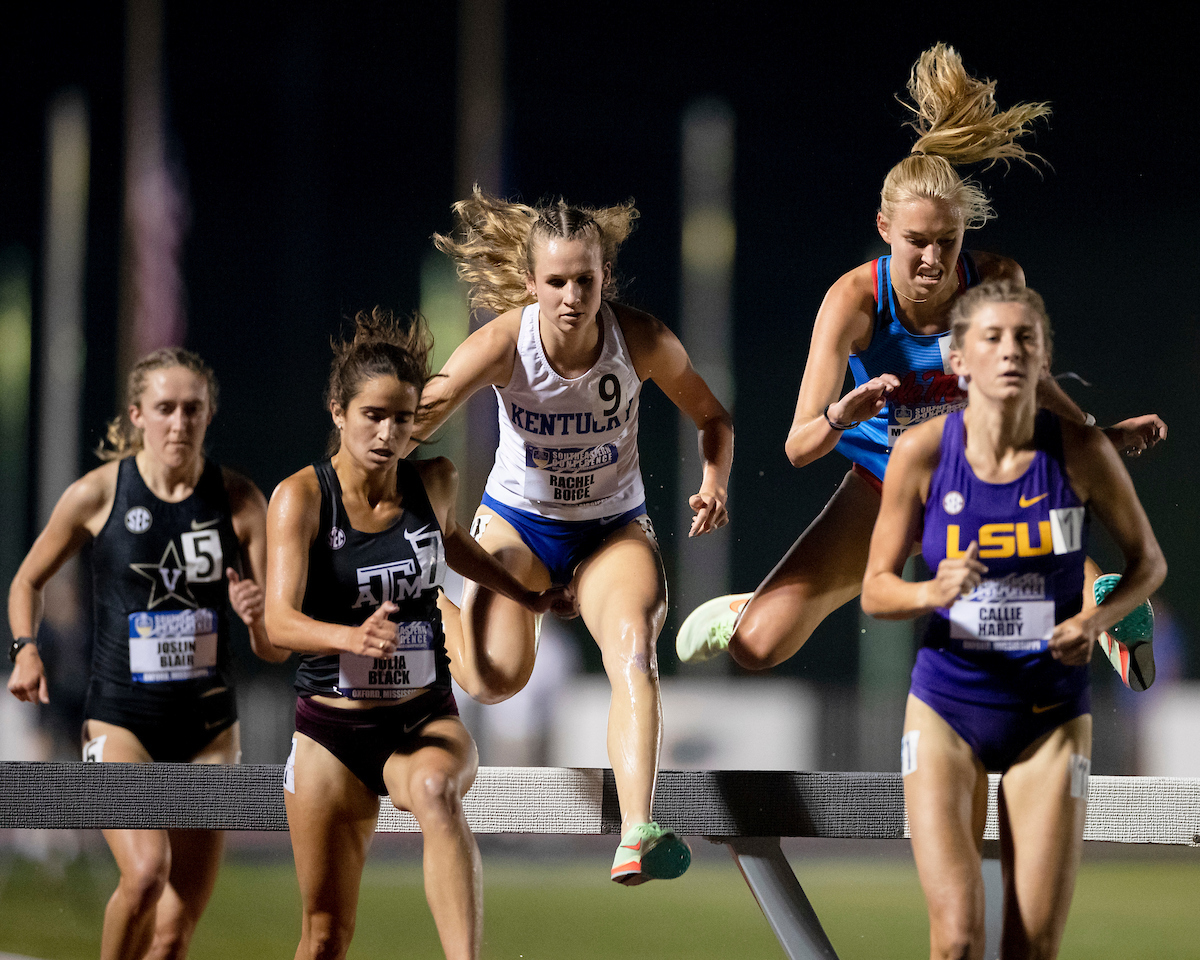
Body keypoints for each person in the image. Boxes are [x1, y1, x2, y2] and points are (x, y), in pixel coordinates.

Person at [675, 43, 1163, 685]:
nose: (932, 260)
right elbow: (798, 447)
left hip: (975, 477)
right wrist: (842, 414)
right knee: (758, 648)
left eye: (946, 241)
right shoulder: (854, 303)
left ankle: (1106, 605)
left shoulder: (993, 279)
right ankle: (754, 607)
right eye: (915, 242)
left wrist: (1098, 437)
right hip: (883, 482)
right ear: (884, 228)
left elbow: (1033, 385)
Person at [411, 189, 734, 884]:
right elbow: (426, 408)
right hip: (517, 524)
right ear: (531, 284)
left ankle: (637, 829)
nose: (569, 296)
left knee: (635, 653)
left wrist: (714, 480)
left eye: (584, 281)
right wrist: (377, 449)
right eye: (555, 282)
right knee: (495, 680)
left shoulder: (640, 338)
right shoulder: (504, 342)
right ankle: (423, 598)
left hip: (611, 527)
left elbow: (714, 417)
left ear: (604, 279)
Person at [860, 281, 1165, 958]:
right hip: (947, 705)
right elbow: (876, 592)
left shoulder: (1082, 452)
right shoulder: (924, 453)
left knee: (1032, 945)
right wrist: (930, 592)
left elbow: (1148, 565)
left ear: (1043, 356)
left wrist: (1096, 620)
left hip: (1051, 715)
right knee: (958, 939)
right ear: (959, 360)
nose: (1009, 352)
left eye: (1024, 339)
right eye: (990, 338)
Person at [264, 308, 574, 960]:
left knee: (436, 794)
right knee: (324, 936)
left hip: (421, 721)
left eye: (402, 419)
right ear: (338, 412)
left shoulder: (433, 481)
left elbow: (453, 545)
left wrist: (527, 595)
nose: (387, 432)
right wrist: (349, 639)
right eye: (372, 415)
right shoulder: (301, 498)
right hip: (330, 729)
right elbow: (278, 622)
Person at [6, 347, 283, 960]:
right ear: (137, 415)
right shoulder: (98, 495)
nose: (179, 422)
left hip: (209, 733)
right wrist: (26, 650)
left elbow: (271, 644)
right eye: (165, 408)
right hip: (121, 721)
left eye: (192, 409)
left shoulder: (241, 503)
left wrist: (259, 617)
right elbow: (27, 580)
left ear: (209, 415)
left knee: (174, 931)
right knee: (145, 872)